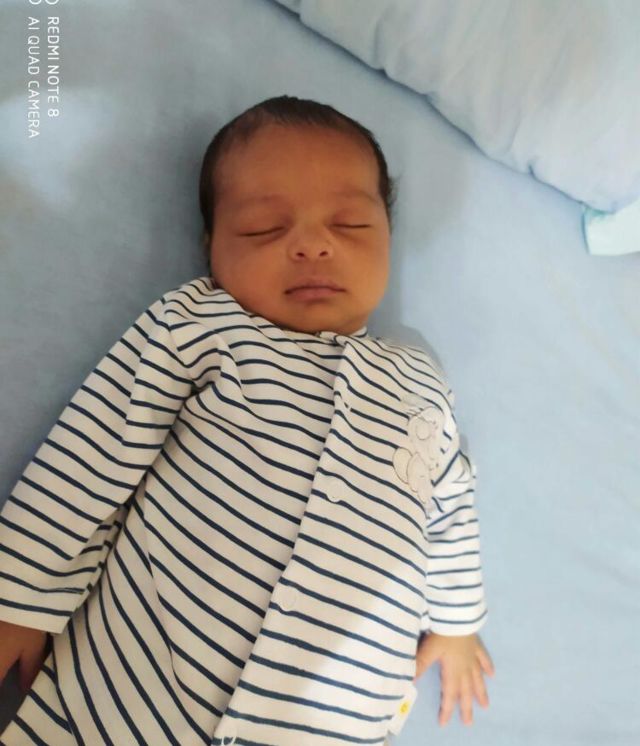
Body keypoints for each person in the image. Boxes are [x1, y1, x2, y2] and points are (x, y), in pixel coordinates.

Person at [0, 95, 494, 745]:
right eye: (264, 228)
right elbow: (96, 449)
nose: (313, 245)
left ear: (388, 239)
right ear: (212, 247)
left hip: (336, 717)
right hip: (130, 694)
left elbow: (450, 502)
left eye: (350, 223)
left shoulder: (419, 381)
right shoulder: (201, 327)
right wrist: (22, 595)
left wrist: (457, 622)